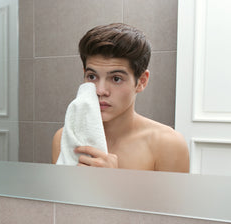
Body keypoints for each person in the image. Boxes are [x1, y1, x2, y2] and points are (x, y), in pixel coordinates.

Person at [52, 23, 189, 173]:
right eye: (92, 76)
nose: (100, 90)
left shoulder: (168, 144)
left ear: (141, 81)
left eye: (116, 79)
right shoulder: (66, 138)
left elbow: (171, 198)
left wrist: (115, 184)